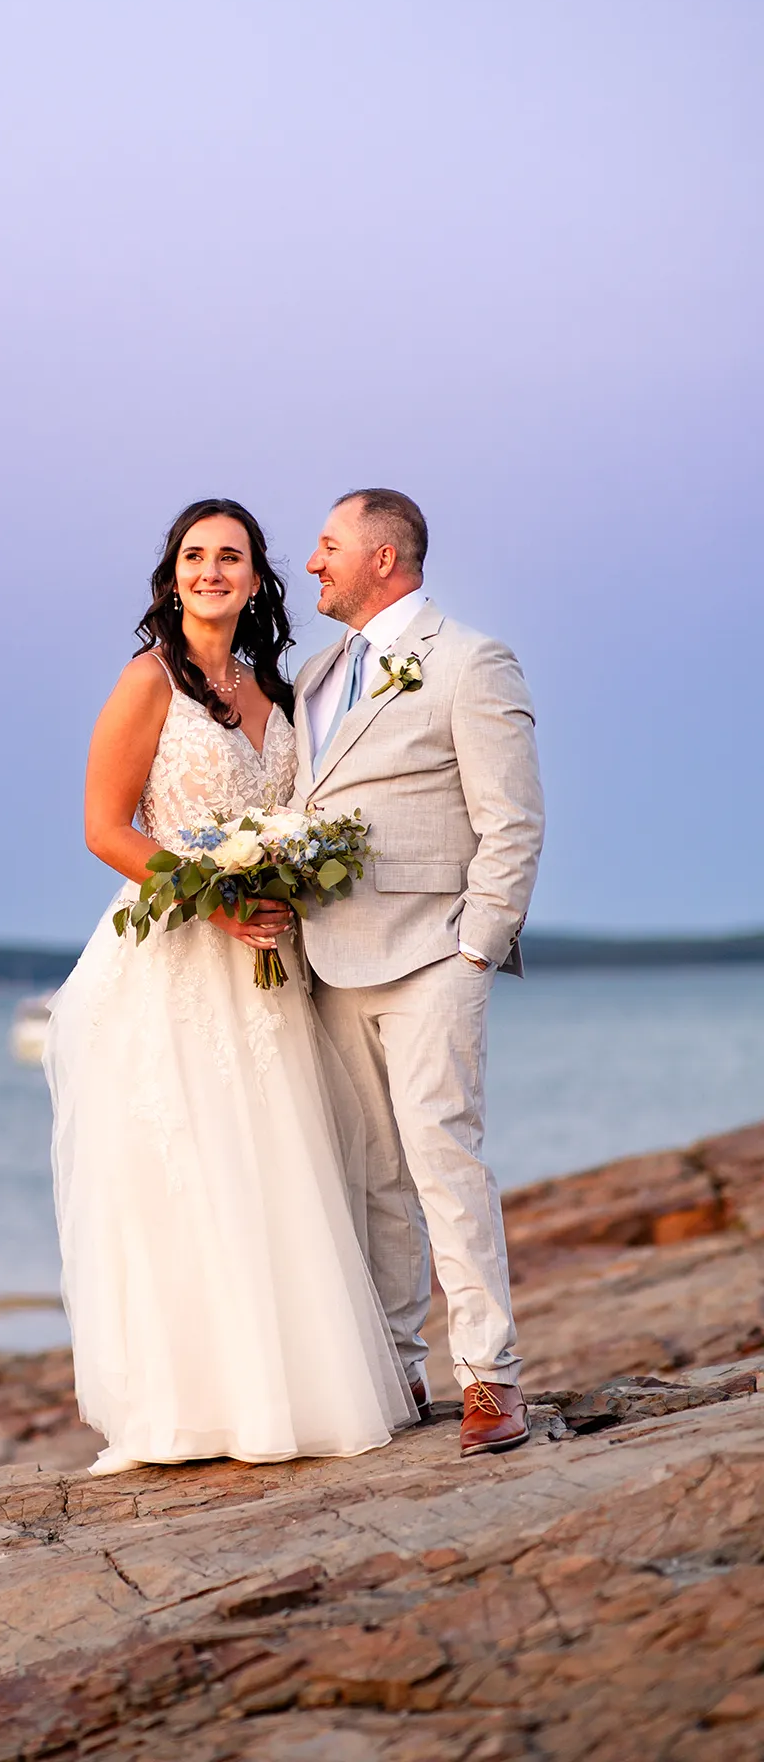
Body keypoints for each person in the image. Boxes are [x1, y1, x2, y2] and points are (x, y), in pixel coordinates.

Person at [44, 498, 415, 1475]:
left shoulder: (272, 690)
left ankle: (292, 1395)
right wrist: (213, 901)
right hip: (176, 962)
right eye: (195, 556)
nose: (212, 571)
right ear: (172, 578)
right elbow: (104, 827)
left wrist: (284, 879)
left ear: (256, 581)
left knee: (278, 1167)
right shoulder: (146, 682)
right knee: (192, 1173)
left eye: (232, 557)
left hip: (269, 966)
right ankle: (194, 1407)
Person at [292, 489, 544, 1457]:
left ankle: (489, 1379)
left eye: (327, 546)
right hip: (326, 957)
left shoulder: (468, 660)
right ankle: (397, 1370)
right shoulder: (317, 675)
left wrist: (477, 943)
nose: (311, 563)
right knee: (374, 1178)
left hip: (433, 951)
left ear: (384, 558)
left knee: (442, 1163)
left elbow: (511, 818)